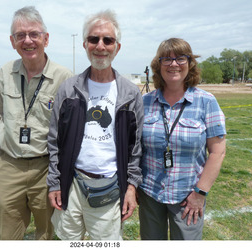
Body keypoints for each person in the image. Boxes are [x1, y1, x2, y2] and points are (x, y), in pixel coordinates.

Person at [47, 10, 144, 240]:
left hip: (109, 189)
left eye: (107, 40)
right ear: (85, 44)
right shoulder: (68, 89)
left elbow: (136, 148)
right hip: (70, 186)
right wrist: (54, 183)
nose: (100, 46)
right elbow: (54, 141)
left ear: (117, 47)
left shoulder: (130, 94)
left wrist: (131, 187)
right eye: (94, 39)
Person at [0, 6, 73, 240]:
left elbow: (70, 132)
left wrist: (61, 173)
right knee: (7, 234)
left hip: (46, 169)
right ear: (12, 41)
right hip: (9, 165)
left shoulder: (63, 78)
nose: (28, 40)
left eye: (34, 34)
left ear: (46, 39)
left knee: (47, 233)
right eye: (20, 35)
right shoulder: (4, 74)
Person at [138, 38, 226, 240]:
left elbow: (217, 152)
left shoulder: (206, 102)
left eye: (180, 58)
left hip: (188, 196)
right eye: (166, 59)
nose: (173, 64)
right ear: (158, 65)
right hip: (150, 193)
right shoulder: (145, 102)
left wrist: (199, 194)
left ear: (190, 63)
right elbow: (136, 148)